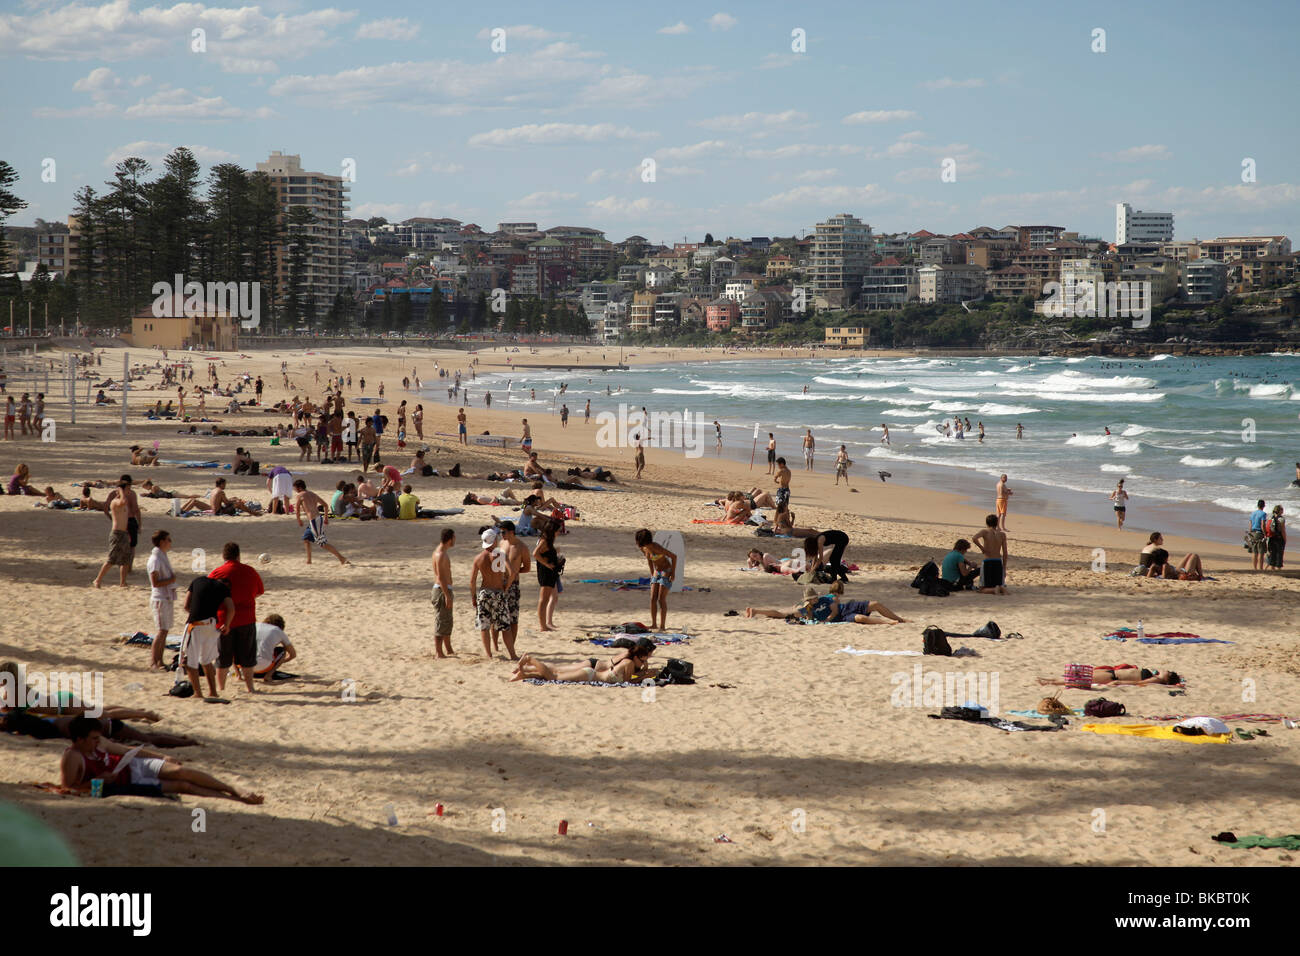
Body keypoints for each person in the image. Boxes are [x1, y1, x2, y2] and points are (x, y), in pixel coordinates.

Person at [60, 717, 262, 803]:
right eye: (93, 739)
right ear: (79, 739)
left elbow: (126, 750)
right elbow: (69, 787)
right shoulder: (73, 757)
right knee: (183, 785)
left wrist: (162, 756)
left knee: (180, 771)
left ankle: (233, 788)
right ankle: (232, 799)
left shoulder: (99, 742)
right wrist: (99, 781)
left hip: (131, 765)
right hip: (128, 780)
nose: (97, 742)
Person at [208, 542, 265, 696]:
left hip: (223, 620)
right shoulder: (250, 571)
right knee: (247, 656)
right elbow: (259, 592)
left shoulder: (217, 573)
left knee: (223, 656)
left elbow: (209, 596)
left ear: (223, 556)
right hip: (246, 618)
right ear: (238, 555)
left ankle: (221, 688)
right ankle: (250, 687)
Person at [181, 566, 234, 700]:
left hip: (196, 624)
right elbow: (231, 609)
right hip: (211, 625)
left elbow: (186, 605)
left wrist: (196, 611)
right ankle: (213, 692)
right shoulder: (224, 589)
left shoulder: (197, 580)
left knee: (189, 661)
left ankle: (198, 693)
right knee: (206, 660)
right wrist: (227, 625)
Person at [509, 637, 659, 684]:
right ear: (643, 653)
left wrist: (646, 671)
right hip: (592, 672)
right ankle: (530, 660)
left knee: (555, 671)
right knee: (554, 674)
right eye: (650, 653)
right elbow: (627, 681)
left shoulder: (634, 659)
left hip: (593, 671)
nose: (651, 656)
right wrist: (645, 676)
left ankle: (525, 673)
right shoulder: (628, 660)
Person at [470, 528, 511, 658]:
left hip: (484, 592)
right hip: (498, 592)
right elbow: (511, 574)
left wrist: (473, 597)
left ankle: (488, 654)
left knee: (484, 625)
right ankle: (512, 653)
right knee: (504, 625)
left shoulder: (478, 558)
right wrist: (506, 587)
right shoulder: (500, 555)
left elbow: (472, 581)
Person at [293, 479, 348, 565]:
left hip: (314, 521)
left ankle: (342, 558)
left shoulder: (300, 495)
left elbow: (297, 510)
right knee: (306, 539)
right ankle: (309, 561)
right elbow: (325, 505)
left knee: (322, 543)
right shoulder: (313, 494)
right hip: (318, 519)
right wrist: (325, 518)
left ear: (299, 488)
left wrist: (299, 520)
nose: (295, 490)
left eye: (295, 488)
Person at [146, 530, 178, 669]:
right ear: (162, 542)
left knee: (165, 630)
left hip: (166, 597)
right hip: (159, 598)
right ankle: (154, 661)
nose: (170, 542)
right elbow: (155, 582)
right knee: (161, 631)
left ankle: (160, 660)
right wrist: (171, 580)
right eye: (168, 540)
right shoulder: (155, 559)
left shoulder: (162, 556)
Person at [91, 485, 133, 589]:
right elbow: (122, 502)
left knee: (126, 560)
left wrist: (128, 533)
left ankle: (123, 582)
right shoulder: (115, 502)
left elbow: (125, 518)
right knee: (111, 559)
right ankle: (97, 580)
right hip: (117, 534)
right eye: (127, 490)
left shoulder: (125, 502)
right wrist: (121, 491)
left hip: (124, 533)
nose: (128, 491)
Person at [499, 520, 530, 655]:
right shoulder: (501, 544)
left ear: (511, 532)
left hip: (513, 586)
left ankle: (511, 646)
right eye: (500, 532)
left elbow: (527, 568)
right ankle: (497, 646)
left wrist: (515, 572)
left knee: (513, 618)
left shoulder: (522, 547)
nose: (501, 535)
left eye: (503, 532)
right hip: (499, 583)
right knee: (498, 617)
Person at [635, 529, 676, 631]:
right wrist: (651, 574)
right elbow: (649, 561)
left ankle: (662, 626)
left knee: (661, 599)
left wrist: (673, 573)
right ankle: (654, 624)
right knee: (653, 598)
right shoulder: (643, 548)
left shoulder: (656, 547)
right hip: (656, 572)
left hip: (666, 571)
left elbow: (674, 557)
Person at [1038, 665, 1181, 689]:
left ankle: (1051, 683)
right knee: (1084, 675)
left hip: (1114, 678)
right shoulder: (1156, 675)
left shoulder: (1156, 679)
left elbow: (1139, 683)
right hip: (1112, 673)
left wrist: (1119, 682)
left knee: (1083, 679)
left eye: (1168, 672)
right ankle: (1051, 680)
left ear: (1167, 679)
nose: (1166, 670)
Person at [430, 528, 456, 658]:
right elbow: (440, 577)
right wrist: (447, 595)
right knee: (441, 621)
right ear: (450, 538)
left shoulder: (441, 552)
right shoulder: (440, 554)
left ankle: (448, 648)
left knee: (447, 620)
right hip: (441, 590)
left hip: (444, 589)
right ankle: (439, 652)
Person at [533, 523, 562, 632]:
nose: (559, 532)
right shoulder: (544, 541)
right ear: (552, 530)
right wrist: (546, 564)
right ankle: (543, 626)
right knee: (543, 600)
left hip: (551, 573)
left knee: (550, 598)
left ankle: (546, 624)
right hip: (545, 573)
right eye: (558, 530)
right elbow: (535, 553)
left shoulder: (549, 541)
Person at [252, 613, 297, 681]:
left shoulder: (255, 625)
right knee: (282, 651)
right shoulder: (278, 631)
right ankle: (268, 675)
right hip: (263, 666)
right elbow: (293, 654)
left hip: (243, 664)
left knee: (237, 646)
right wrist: (281, 661)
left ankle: (239, 675)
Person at [972, 514, 1008, 594]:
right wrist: (1004, 568)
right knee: (998, 583)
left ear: (987, 523)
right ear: (997, 523)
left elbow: (974, 538)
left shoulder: (985, 531)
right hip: (998, 561)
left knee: (982, 588)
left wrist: (982, 548)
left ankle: (994, 590)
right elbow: (1005, 553)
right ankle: (1001, 588)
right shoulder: (1002, 534)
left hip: (988, 561)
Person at [1248, 499, 1268, 571]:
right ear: (1264, 506)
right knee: (1261, 552)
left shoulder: (1253, 513)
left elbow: (1250, 523)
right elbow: (1263, 524)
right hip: (1259, 533)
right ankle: (1260, 568)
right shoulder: (1263, 514)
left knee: (1254, 552)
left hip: (1253, 532)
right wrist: (1265, 534)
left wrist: (1250, 532)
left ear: (1257, 505)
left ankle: (1255, 568)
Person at [1266, 505, 1287, 570]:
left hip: (1271, 538)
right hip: (1279, 538)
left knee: (1273, 554)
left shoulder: (1270, 517)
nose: (1283, 511)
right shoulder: (1282, 519)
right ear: (1279, 511)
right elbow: (1283, 530)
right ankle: (1279, 569)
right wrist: (1285, 539)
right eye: (1282, 510)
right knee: (1279, 554)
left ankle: (1272, 568)